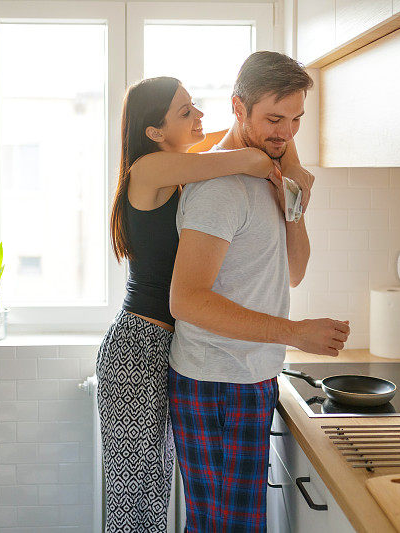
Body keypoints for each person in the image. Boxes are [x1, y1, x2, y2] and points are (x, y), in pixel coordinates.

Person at [97, 76, 312, 532]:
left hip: (160, 344)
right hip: (137, 348)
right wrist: (279, 160)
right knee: (136, 495)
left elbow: (236, 148)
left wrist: (279, 147)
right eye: (184, 112)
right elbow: (248, 158)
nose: (198, 116)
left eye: (195, 107)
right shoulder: (149, 169)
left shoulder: (176, 162)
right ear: (154, 132)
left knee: (154, 495)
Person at [168, 51, 351, 531]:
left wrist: (294, 198)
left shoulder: (269, 177)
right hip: (216, 383)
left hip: (249, 378)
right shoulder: (220, 187)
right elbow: (186, 300)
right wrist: (296, 333)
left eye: (296, 120)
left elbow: (296, 270)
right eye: (274, 118)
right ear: (238, 107)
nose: (287, 133)